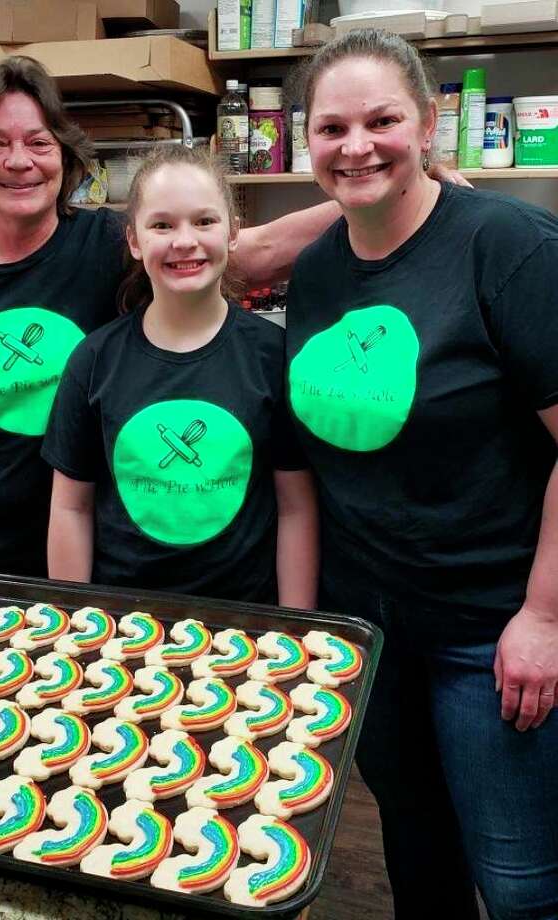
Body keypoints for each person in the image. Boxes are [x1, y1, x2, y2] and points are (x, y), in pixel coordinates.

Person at [0, 53, 465, 579]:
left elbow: (242, 249)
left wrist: (382, 190)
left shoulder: (107, 243)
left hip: (114, 552)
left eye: (38, 142)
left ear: (64, 154)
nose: (19, 162)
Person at [285, 28, 558, 920]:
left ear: (428, 126)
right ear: (306, 141)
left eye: (381, 120)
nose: (355, 145)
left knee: (518, 883)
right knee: (414, 847)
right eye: (331, 128)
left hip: (489, 632)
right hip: (367, 626)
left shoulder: (508, 246)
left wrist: (545, 617)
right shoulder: (319, 269)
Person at [42, 145, 318, 606]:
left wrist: (297, 625)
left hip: (247, 624)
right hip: (123, 627)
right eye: (162, 225)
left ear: (233, 232)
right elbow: (72, 507)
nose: (184, 240)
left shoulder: (272, 357)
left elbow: (295, 508)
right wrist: (75, 624)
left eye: (204, 221)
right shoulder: (94, 361)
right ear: (134, 240)